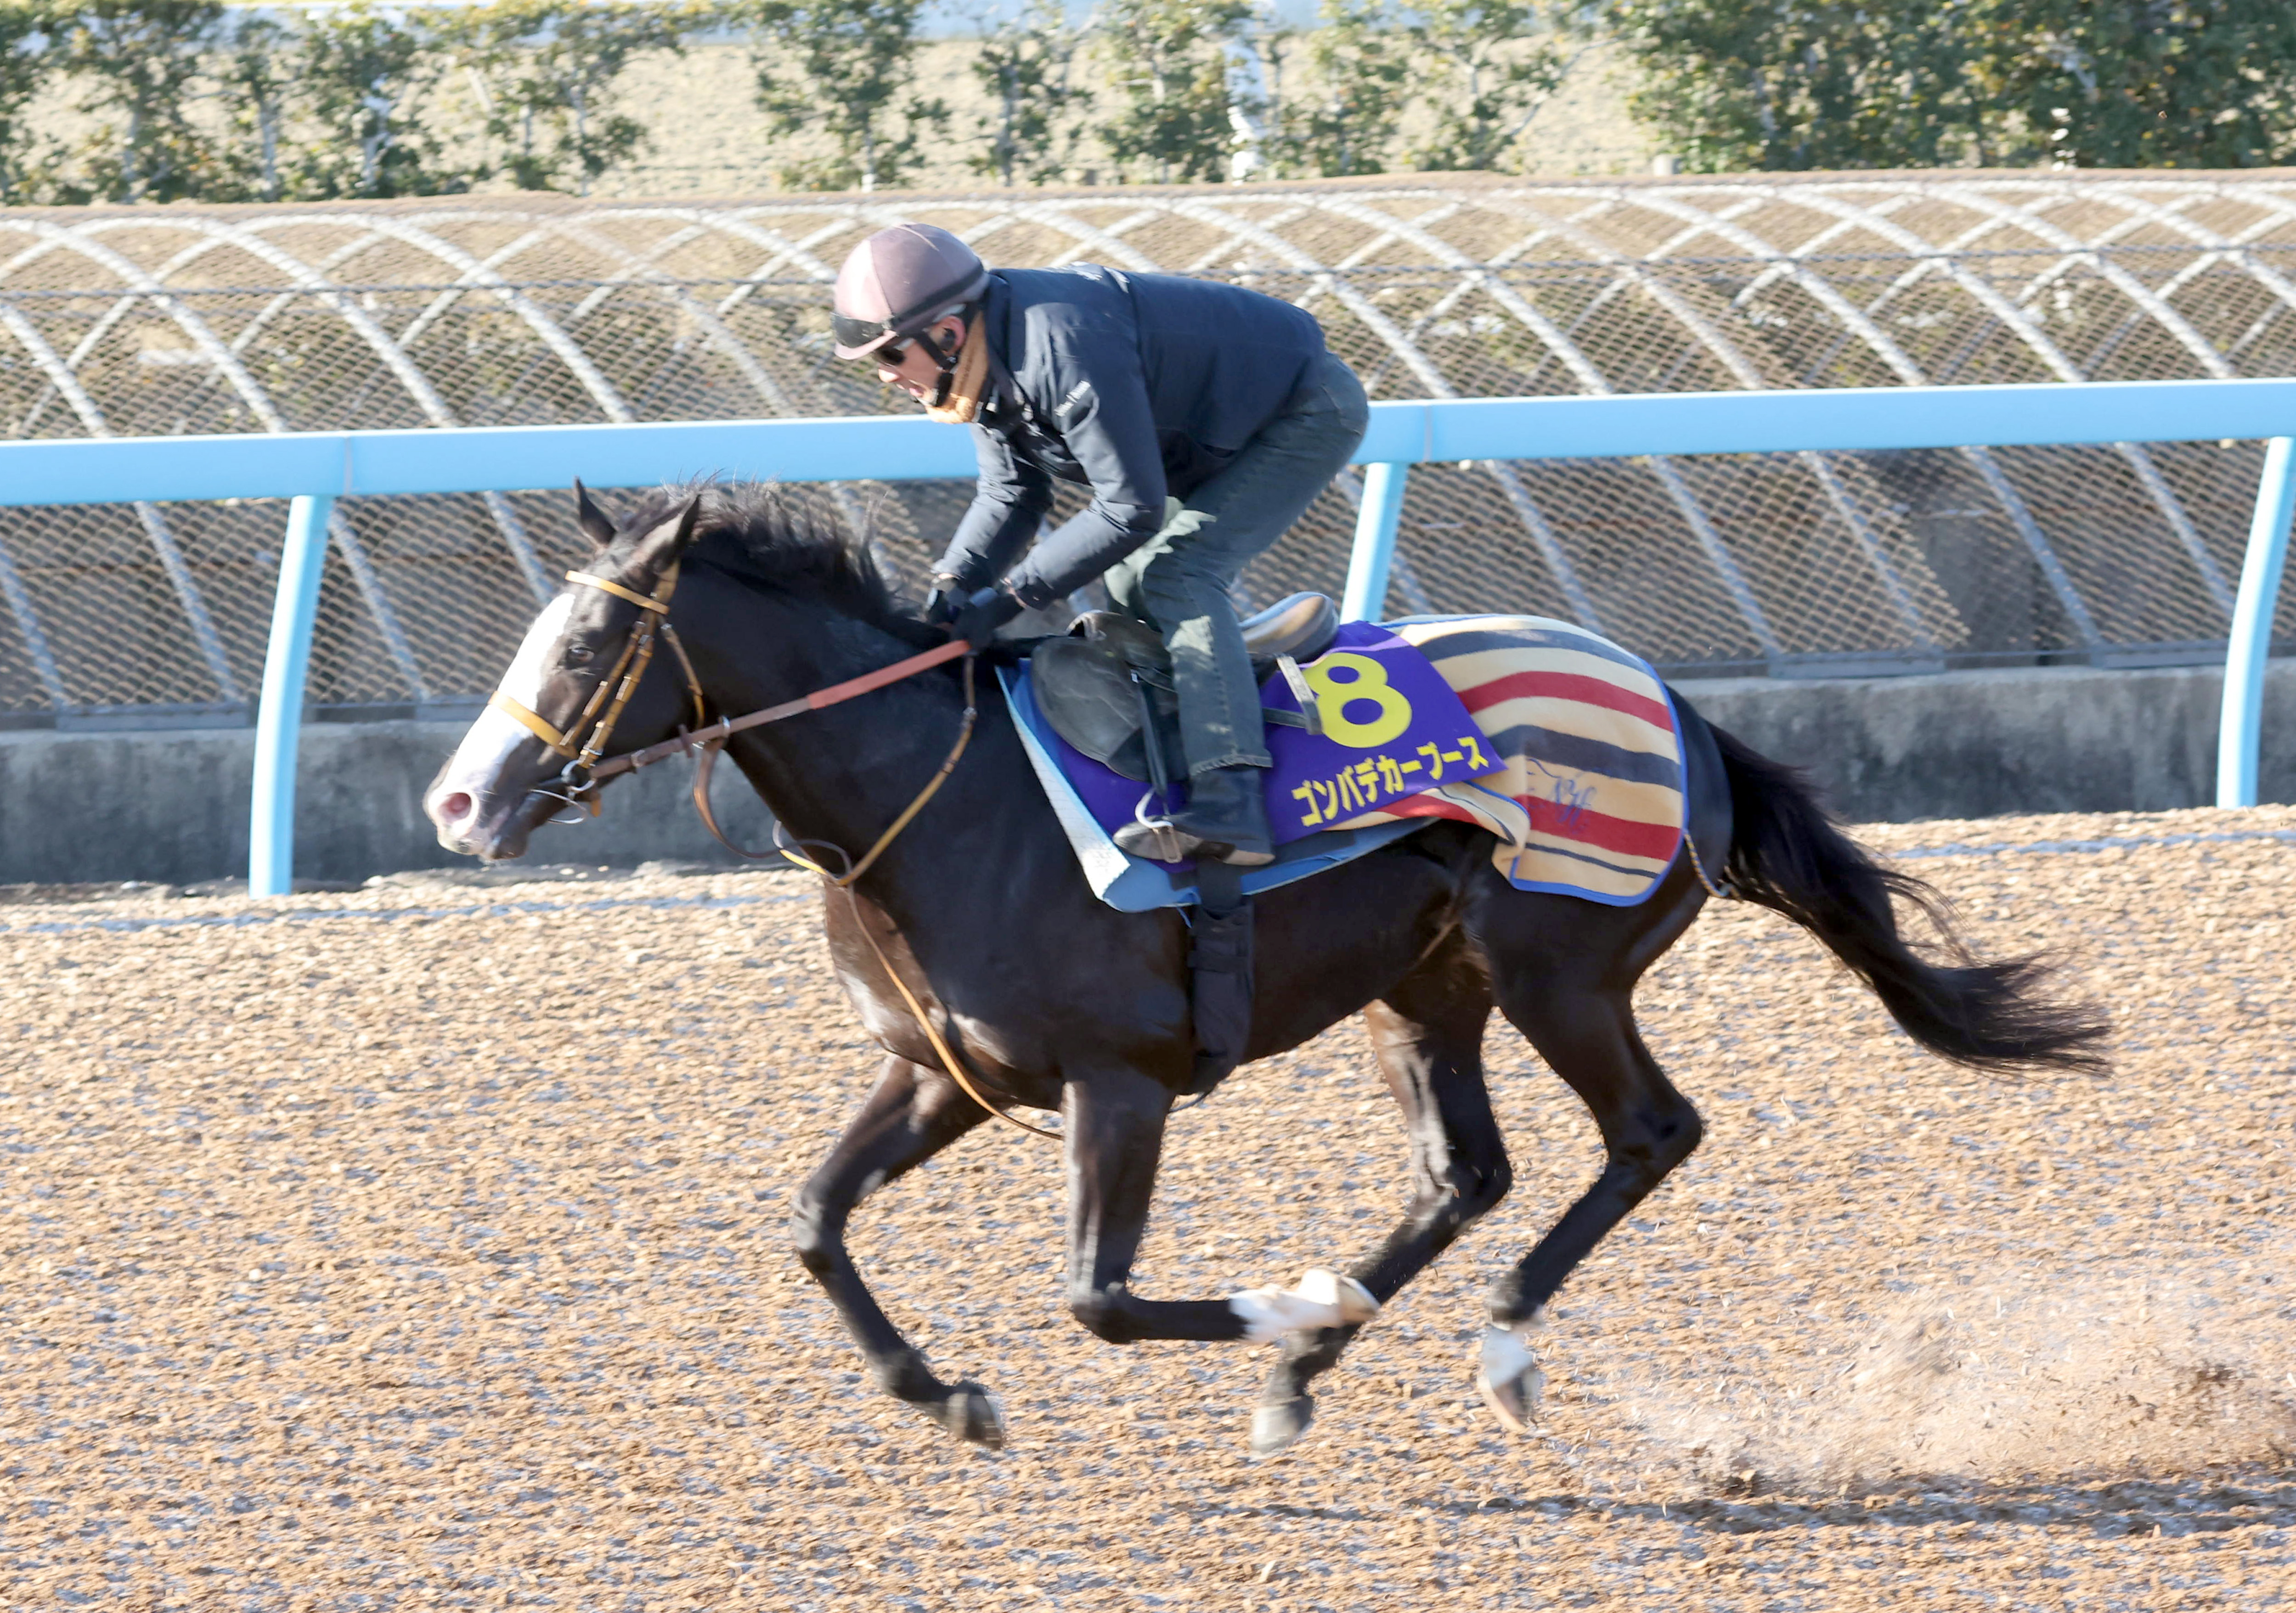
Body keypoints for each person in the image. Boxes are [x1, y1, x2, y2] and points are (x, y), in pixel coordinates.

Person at [830, 222, 1369, 867]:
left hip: (1304, 412)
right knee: (1127, 584)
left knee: (1178, 575)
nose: (887, 379)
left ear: (946, 332)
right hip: (1212, 431)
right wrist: (952, 588)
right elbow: (1010, 492)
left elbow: (1131, 507)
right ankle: (1180, 743)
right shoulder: (980, 358)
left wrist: (1006, 601)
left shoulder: (1060, 348)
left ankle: (1234, 803)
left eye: (890, 357)